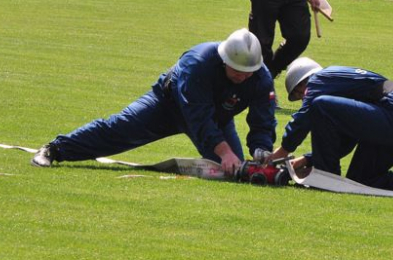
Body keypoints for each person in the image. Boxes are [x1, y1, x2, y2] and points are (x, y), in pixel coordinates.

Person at [31, 29, 277, 177]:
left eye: (248, 72)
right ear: (224, 59)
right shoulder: (198, 63)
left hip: (216, 120)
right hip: (167, 106)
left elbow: (262, 120)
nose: (243, 77)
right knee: (118, 128)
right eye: (237, 71)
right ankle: (55, 149)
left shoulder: (261, 78)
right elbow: (198, 116)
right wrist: (224, 151)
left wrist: (262, 150)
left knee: (234, 169)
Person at [266, 57, 393, 195]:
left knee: (319, 105)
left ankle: (325, 179)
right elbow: (344, 143)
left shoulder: (318, 80)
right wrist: (306, 160)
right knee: (360, 182)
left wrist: (281, 153)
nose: (303, 98)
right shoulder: (341, 89)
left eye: (300, 94)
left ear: (303, 83)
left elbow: (305, 116)